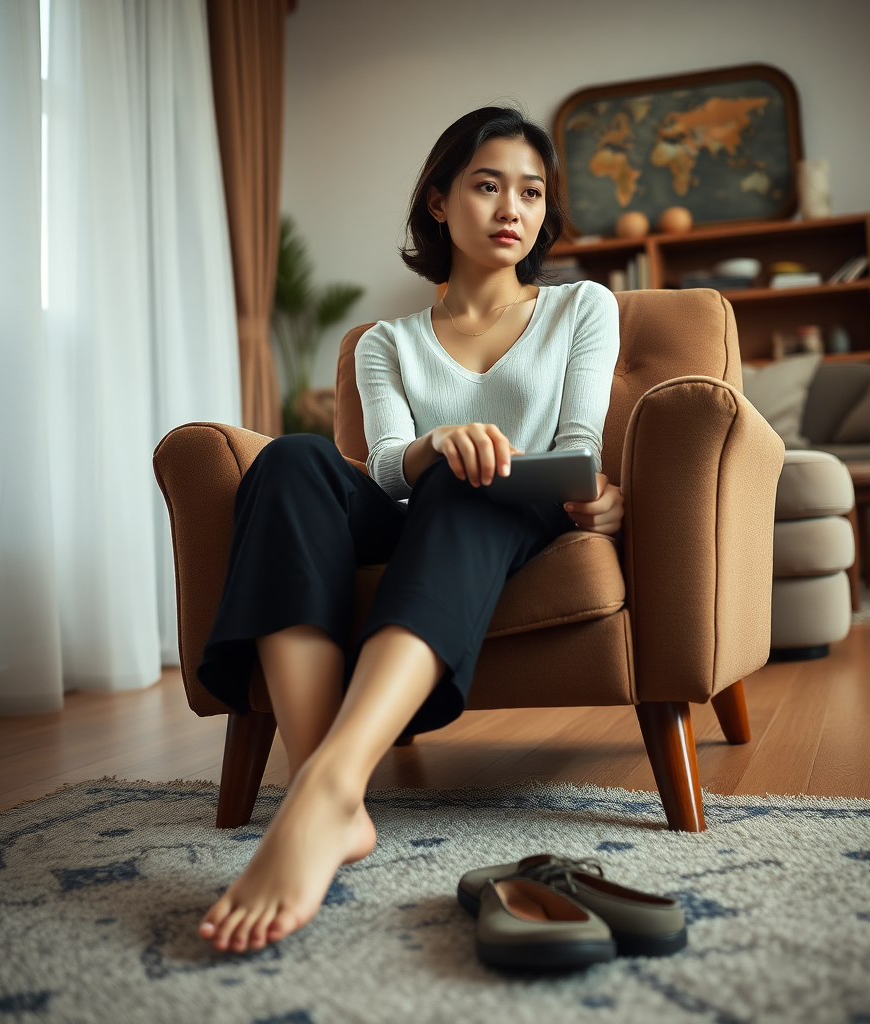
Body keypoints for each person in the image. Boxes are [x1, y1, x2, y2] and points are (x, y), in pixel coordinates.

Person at [195, 107, 624, 953]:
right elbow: (385, 464)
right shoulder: (384, 341)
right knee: (290, 459)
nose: (513, 208)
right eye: (488, 184)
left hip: (509, 509)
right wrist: (434, 445)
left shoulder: (582, 307)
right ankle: (335, 801)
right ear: (438, 201)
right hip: (407, 504)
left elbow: (577, 450)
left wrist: (559, 481)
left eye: (532, 192)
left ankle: (323, 790)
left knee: (476, 481)